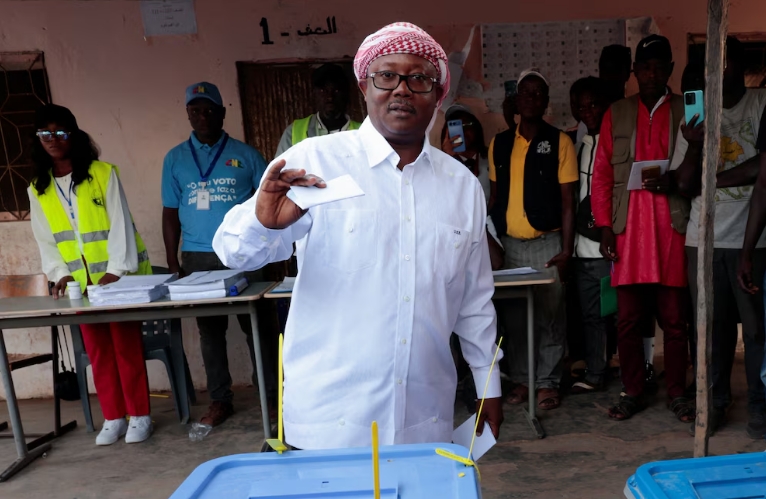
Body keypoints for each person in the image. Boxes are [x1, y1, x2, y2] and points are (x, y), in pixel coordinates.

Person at [213, 22, 504, 450]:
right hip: (328, 422)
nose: (402, 89)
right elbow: (233, 252)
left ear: (438, 94)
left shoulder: (461, 185)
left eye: (419, 78)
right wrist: (264, 223)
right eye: (387, 76)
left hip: (423, 418)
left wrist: (488, 386)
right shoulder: (315, 161)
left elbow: (474, 301)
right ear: (365, 86)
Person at [28, 104, 153, 445]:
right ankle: (113, 417)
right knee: (98, 351)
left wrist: (116, 270)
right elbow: (46, 240)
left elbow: (120, 224)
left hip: (115, 280)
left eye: (60, 132)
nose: (52, 139)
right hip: (79, 287)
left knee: (125, 347)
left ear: (74, 135)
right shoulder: (37, 187)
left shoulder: (102, 173)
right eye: (45, 133)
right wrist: (59, 274)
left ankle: (140, 415)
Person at [591, 35, 693, 423]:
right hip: (627, 234)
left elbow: (701, 169)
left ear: (669, 69)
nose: (651, 73)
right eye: (644, 67)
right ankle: (632, 389)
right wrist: (604, 228)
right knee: (629, 322)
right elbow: (601, 176)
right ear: (635, 72)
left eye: (658, 66)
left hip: (672, 230)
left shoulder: (687, 111)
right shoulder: (616, 112)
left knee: (675, 321)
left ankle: (678, 393)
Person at [161, 82, 268, 427]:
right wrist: (174, 262)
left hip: (245, 255)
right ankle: (221, 401)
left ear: (222, 113)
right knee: (210, 333)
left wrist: (270, 253)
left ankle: (272, 395)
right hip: (197, 258)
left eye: (209, 110)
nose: (202, 116)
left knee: (258, 328)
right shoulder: (175, 158)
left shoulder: (247, 155)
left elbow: (268, 206)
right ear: (187, 114)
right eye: (196, 110)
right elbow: (169, 212)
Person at [675, 37, 766, 438]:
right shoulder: (696, 114)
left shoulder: (762, 104)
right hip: (703, 239)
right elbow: (683, 183)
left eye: (724, 64)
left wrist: (712, 179)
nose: (716, 71)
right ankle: (713, 404)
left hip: (754, 240)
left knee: (758, 330)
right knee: (710, 330)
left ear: (740, 67)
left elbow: (764, 167)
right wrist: (693, 148)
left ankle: (760, 408)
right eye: (711, 64)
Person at [489, 68, 578, 411]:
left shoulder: (560, 142)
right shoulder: (500, 143)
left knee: (550, 314)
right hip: (510, 246)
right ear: (515, 100)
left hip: (547, 243)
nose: (530, 98)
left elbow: (568, 202)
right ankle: (524, 379)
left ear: (545, 102)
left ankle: (547, 382)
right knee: (515, 317)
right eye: (524, 93)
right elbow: (495, 198)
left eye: (537, 93)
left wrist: (566, 249)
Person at [568, 77, 613, 394]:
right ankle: (596, 372)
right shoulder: (576, 145)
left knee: (612, 314)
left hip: (607, 247)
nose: (588, 112)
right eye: (581, 107)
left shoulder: (615, 143)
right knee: (590, 315)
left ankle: (610, 370)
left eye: (593, 104)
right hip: (580, 249)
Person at [440, 104, 504, 270]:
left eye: (467, 125)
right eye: (455, 126)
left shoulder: (492, 155)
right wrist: (448, 158)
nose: (462, 131)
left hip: (494, 229)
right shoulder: (441, 163)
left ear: (477, 128)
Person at [275, 64, 362, 156]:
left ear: (346, 94)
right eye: (323, 91)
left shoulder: (363, 132)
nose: (330, 97)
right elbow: (280, 169)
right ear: (314, 95)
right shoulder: (293, 132)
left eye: (336, 91)